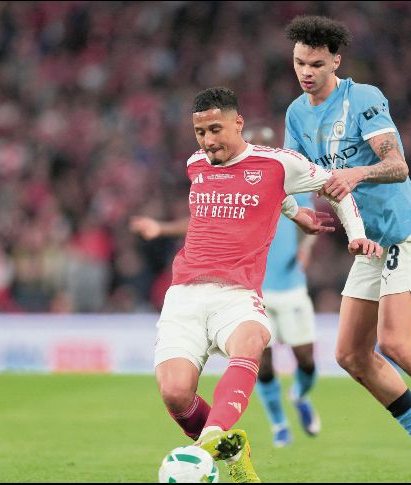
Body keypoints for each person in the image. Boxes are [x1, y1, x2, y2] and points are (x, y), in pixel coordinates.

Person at [283, 15, 411, 483]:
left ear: (336, 60)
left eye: (316, 63)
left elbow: (397, 164)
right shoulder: (296, 113)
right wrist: (296, 211)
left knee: (394, 340)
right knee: (351, 355)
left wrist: (357, 173)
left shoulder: (364, 98)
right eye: (299, 62)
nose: (306, 72)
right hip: (370, 242)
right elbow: (295, 173)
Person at [144, 86, 382, 483]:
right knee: (174, 394)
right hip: (184, 294)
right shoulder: (195, 164)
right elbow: (261, 196)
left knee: (252, 339)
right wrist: (293, 212)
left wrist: (354, 234)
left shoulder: (278, 163)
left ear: (238, 124)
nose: (208, 141)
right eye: (200, 133)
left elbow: (337, 189)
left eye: (216, 130)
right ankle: (231, 452)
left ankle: (212, 441)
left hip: (237, 295)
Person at [131, 125, 323, 448]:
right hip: (243, 287)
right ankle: (278, 426)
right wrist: (162, 228)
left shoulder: (283, 178)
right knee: (261, 362)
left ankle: (300, 395)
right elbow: (200, 218)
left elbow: (304, 218)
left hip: (288, 284)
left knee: (305, 357)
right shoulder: (220, 175)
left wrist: (304, 251)